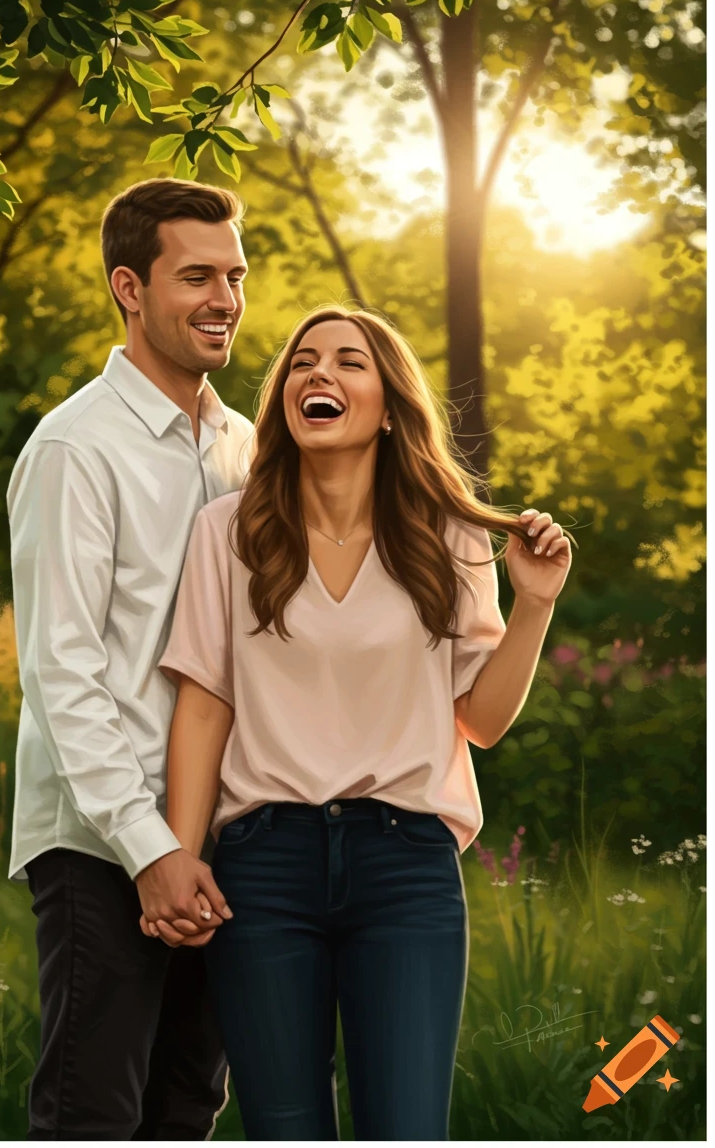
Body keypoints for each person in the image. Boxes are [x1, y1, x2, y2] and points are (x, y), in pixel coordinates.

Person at [152, 304, 574, 1140]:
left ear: (389, 404)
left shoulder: (449, 537)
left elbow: (481, 723)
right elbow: (204, 707)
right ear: (283, 401)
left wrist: (534, 605)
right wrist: (177, 857)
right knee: (284, 1128)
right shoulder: (228, 532)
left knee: (407, 1128)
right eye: (304, 362)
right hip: (262, 871)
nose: (320, 375)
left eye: (350, 362)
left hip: (405, 870)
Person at [6, 177, 255, 1140]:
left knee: (187, 1107)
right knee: (92, 1115)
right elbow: (61, 669)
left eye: (234, 275)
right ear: (129, 287)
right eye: (196, 275)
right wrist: (150, 850)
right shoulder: (76, 448)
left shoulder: (245, 447)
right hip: (105, 845)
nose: (224, 299)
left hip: (224, 839)